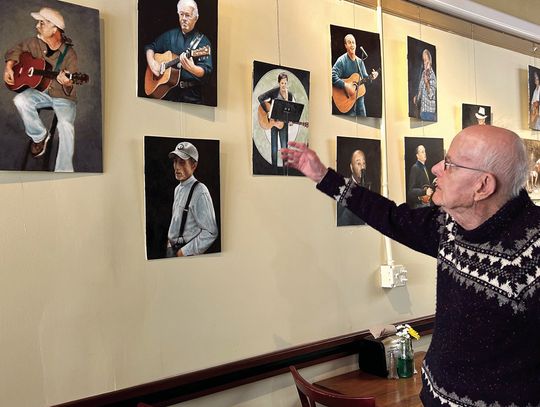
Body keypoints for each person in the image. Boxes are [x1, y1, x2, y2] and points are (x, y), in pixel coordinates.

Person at [281, 125, 539, 407]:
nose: (437, 168)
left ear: (483, 186)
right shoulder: (448, 227)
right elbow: (389, 215)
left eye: (450, 164)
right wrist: (323, 176)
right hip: (433, 398)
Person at [4, 7, 79, 172]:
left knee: (66, 126)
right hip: (40, 92)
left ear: (54, 29)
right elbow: (15, 50)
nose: (37, 26)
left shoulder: (70, 54)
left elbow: (70, 84)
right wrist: (9, 67)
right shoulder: (33, 42)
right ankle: (39, 136)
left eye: (42, 23)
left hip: (62, 97)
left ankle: (64, 171)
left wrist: (66, 82)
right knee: (20, 100)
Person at [145, 0, 212, 104]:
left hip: (192, 97)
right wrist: (153, 63)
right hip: (168, 95)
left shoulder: (203, 42)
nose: (184, 19)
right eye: (181, 14)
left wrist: (192, 68)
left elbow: (206, 70)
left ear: (196, 18)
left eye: (188, 15)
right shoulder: (170, 35)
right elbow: (150, 47)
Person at [166, 141, 218, 257]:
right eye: (175, 161)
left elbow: (211, 232)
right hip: (171, 250)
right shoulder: (178, 189)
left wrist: (183, 252)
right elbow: (176, 221)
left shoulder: (200, 191)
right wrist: (169, 244)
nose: (177, 167)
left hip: (185, 252)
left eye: (182, 162)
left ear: (194, 165)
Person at [332, 34, 378, 116]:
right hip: (347, 104)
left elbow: (365, 78)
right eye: (349, 43)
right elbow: (332, 76)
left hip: (360, 104)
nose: (352, 45)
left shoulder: (360, 61)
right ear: (346, 45)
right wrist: (345, 85)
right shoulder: (341, 60)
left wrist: (372, 77)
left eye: (353, 42)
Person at [257, 72, 295, 172]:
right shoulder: (274, 92)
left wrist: (290, 119)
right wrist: (268, 110)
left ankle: (284, 173)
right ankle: (274, 171)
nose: (284, 85)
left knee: (284, 149)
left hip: (284, 125)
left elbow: (288, 110)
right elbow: (260, 98)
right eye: (282, 83)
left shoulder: (289, 95)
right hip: (273, 123)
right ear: (279, 83)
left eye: (285, 83)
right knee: (274, 148)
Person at [337, 149, 370, 226]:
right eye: (358, 163)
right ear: (351, 167)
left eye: (364, 163)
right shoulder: (344, 189)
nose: (362, 167)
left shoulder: (369, 187)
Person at [413, 49, 436, 121]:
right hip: (423, 111)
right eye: (424, 60)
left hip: (429, 112)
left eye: (426, 60)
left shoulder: (432, 75)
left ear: (430, 62)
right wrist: (417, 98)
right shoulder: (423, 73)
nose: (425, 63)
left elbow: (431, 95)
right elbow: (420, 89)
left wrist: (427, 83)